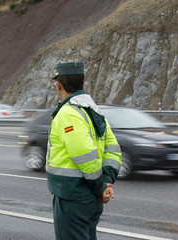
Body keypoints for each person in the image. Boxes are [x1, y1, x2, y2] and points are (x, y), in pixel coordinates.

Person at [46, 61, 122, 240]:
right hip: (90, 197)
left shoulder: (68, 113)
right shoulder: (93, 110)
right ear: (83, 84)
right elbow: (113, 149)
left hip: (73, 197)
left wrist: (100, 187)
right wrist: (107, 180)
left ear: (59, 85)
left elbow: (84, 155)